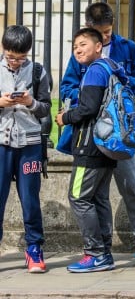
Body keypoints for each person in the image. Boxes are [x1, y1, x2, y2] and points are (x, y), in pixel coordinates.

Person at [60, 2, 135, 263]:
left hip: (119, 133)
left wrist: (119, 83)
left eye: (109, 31)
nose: (106, 37)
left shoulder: (126, 48)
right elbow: (66, 88)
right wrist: (90, 94)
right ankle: (102, 249)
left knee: (132, 188)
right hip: (92, 136)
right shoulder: (81, 53)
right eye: (101, 32)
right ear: (89, 28)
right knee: (97, 195)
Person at [55, 28, 125, 272]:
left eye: (83, 44)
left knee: (78, 197)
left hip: (89, 146)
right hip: (106, 146)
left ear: (98, 46)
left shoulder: (95, 71)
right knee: (99, 198)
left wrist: (65, 117)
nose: (77, 49)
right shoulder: (111, 67)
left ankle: (94, 253)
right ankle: (104, 252)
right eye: (75, 46)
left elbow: (88, 108)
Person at [0, 25, 50, 273]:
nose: (16, 62)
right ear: (3, 48)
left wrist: (30, 102)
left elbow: (46, 108)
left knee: (30, 199)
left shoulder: (38, 71)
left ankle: (34, 249)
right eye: (11, 57)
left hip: (29, 144)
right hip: (1, 143)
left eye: (21, 58)